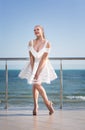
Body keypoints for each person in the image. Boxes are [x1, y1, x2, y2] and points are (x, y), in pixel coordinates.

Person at [19, 25, 57, 115]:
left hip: (43, 65)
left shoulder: (47, 43)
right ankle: (37, 106)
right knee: (35, 84)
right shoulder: (31, 42)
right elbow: (31, 57)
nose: (36, 31)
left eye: (37, 29)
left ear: (42, 30)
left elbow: (44, 59)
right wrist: (33, 71)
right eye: (34, 30)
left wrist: (38, 71)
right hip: (32, 64)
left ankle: (47, 103)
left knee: (36, 84)